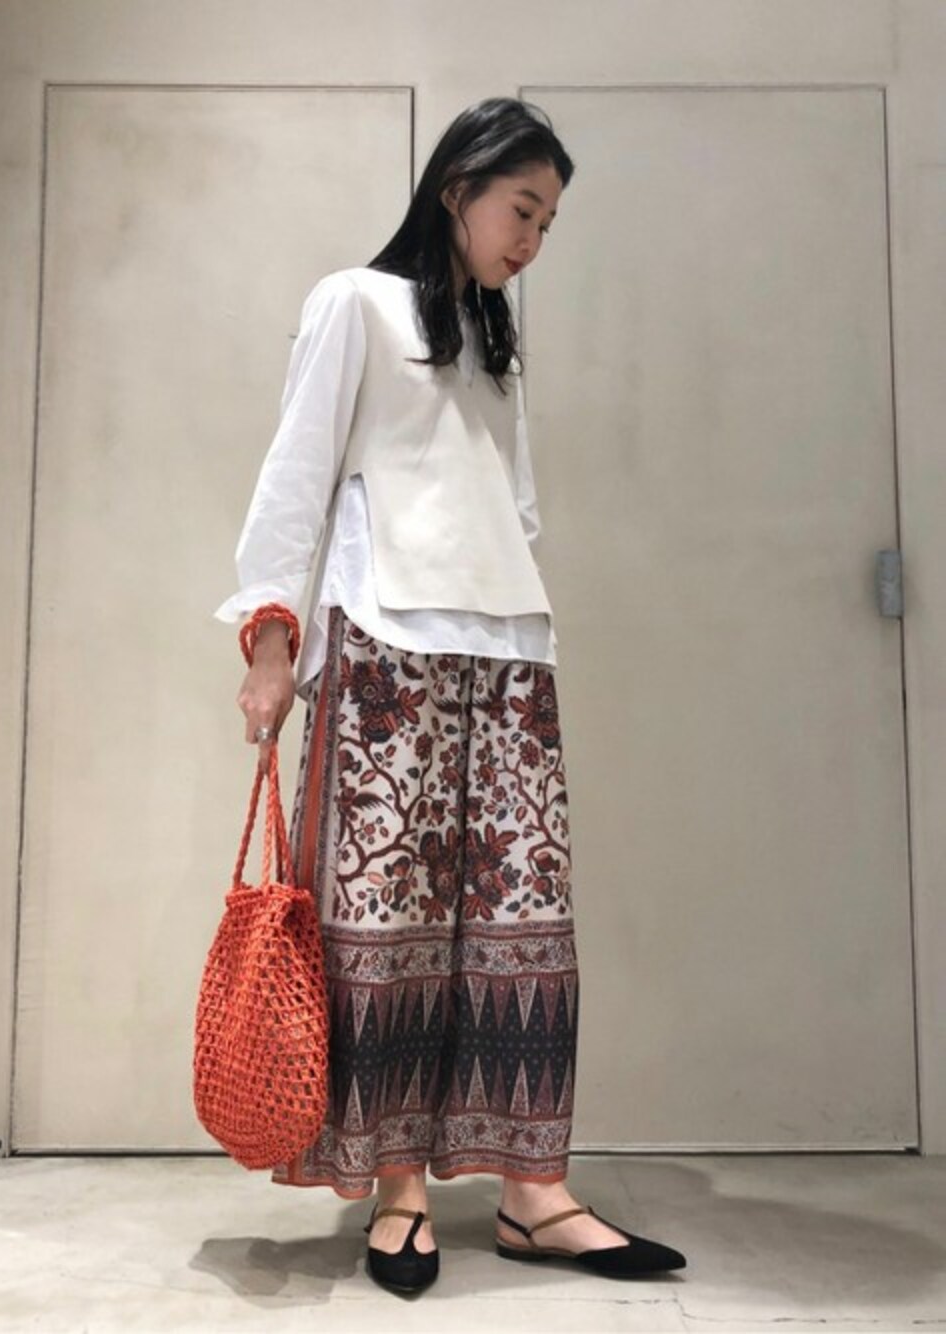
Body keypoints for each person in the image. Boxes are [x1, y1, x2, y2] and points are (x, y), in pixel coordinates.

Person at [214, 96, 686, 1295]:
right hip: (385, 647)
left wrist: (523, 620)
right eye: (521, 208)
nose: (532, 238)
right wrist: (269, 639)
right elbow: (296, 475)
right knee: (384, 924)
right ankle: (400, 1189)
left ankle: (533, 1192)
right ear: (456, 187)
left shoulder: (491, 336)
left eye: (549, 222)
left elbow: (513, 503)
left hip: (509, 650)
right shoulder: (355, 303)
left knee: (523, 921)